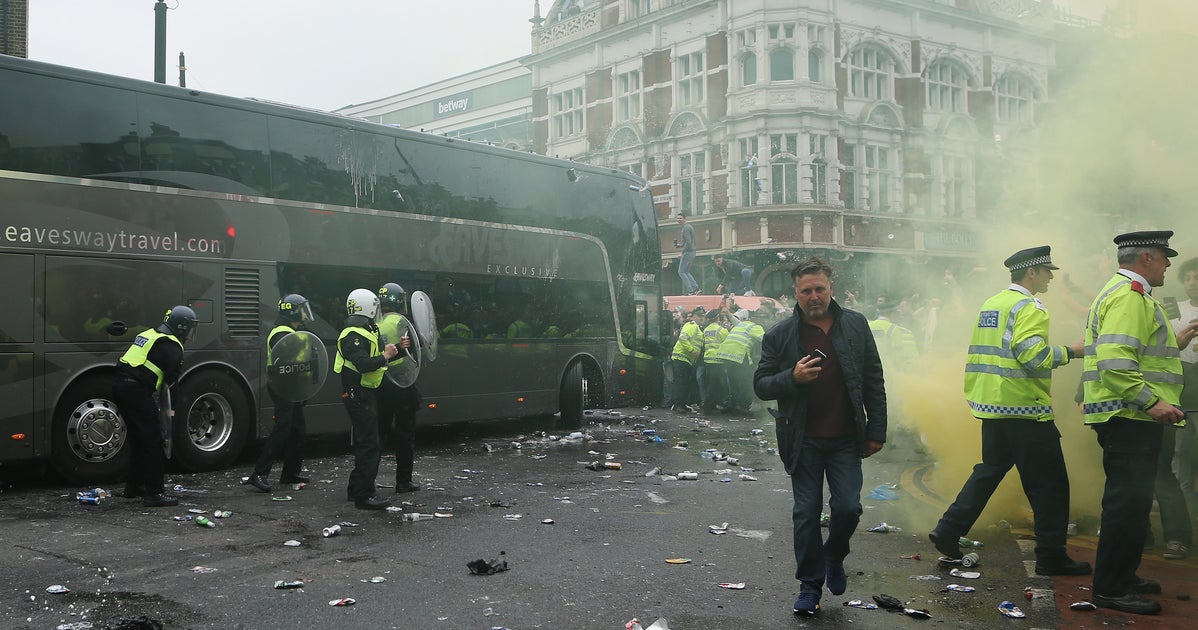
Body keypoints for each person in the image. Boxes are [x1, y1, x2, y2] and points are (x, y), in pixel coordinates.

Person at [928, 246, 1091, 576]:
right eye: (1047, 271)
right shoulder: (1030, 306)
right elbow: (1033, 356)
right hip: (1025, 411)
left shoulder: (993, 303)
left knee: (988, 472)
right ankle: (1050, 556)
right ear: (1031, 272)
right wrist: (1071, 351)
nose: (1050, 277)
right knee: (1050, 486)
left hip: (993, 407)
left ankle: (948, 529)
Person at [753, 257, 886, 616]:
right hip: (803, 440)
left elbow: (873, 379)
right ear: (794, 294)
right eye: (806, 291)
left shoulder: (856, 325)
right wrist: (791, 378)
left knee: (848, 508)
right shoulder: (780, 335)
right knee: (806, 515)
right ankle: (809, 586)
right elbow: (761, 384)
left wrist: (876, 431)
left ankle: (835, 555)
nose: (814, 296)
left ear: (831, 289)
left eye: (820, 289)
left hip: (846, 439)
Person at [1084, 231, 1198, 615]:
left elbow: (1141, 352)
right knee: (1126, 504)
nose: (1169, 264)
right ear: (1146, 257)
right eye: (1166, 257)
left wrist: (1175, 344)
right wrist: (1152, 403)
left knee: (1133, 504)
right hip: (1129, 415)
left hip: (1130, 415)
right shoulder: (1130, 295)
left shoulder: (1131, 294)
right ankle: (1111, 588)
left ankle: (1124, 576)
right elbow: (1115, 362)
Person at [113, 305, 198, 508]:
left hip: (119, 386)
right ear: (181, 327)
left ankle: (133, 487)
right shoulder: (173, 348)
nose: (190, 333)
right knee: (153, 441)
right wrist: (171, 413)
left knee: (138, 438)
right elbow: (171, 386)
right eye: (189, 328)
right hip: (136, 391)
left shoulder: (149, 334)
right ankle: (154, 493)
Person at [334, 288, 400, 510]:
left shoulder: (363, 331)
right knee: (369, 444)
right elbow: (363, 364)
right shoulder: (352, 334)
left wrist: (397, 348)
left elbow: (375, 358)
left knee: (367, 442)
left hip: (364, 393)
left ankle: (356, 489)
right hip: (358, 393)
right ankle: (364, 495)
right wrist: (386, 355)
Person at [244, 294, 315, 493]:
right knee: (282, 429)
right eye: (302, 309)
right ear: (293, 311)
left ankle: (290, 472)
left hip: (292, 386)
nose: (305, 313)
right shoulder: (282, 333)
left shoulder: (293, 330)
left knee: (297, 430)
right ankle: (259, 473)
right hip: (283, 386)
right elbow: (287, 363)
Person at [377, 283, 422, 494]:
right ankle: (403, 481)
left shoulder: (375, 321)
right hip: (402, 383)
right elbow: (413, 348)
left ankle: (366, 482)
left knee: (379, 434)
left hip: (382, 382)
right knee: (405, 435)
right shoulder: (400, 322)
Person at [1170, 256, 1198, 512]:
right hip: (1181, 390)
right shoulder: (1174, 309)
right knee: (1179, 453)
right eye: (1188, 278)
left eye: (1197, 278)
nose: (1192, 283)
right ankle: (1185, 510)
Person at [714, 308, 766, 414]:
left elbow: (734, 320)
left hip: (725, 355)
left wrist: (728, 313)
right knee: (746, 382)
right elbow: (766, 340)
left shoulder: (741, 325)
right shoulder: (756, 327)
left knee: (733, 382)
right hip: (738, 356)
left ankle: (732, 405)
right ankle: (742, 406)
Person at [867, 300, 917, 373]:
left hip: (869, 368)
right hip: (887, 370)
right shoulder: (893, 328)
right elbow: (898, 353)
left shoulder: (868, 326)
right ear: (890, 313)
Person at [670, 306, 704, 413]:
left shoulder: (697, 328)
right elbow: (683, 338)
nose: (701, 318)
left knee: (684, 383)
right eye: (699, 316)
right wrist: (692, 350)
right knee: (681, 383)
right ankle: (678, 405)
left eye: (703, 316)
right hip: (681, 358)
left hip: (685, 360)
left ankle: (682, 405)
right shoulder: (692, 325)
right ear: (693, 317)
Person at [699, 309, 729, 413]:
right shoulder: (721, 330)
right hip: (718, 360)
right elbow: (727, 342)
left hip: (708, 360)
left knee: (711, 384)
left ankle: (713, 406)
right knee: (714, 385)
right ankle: (708, 408)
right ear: (717, 318)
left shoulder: (706, 330)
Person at [676, 213, 699, 295]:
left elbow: (688, 242)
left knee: (681, 271)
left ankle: (690, 290)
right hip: (692, 252)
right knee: (686, 271)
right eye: (678, 218)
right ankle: (696, 288)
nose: (679, 220)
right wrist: (680, 245)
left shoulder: (686, 228)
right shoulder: (688, 227)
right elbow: (687, 242)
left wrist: (682, 253)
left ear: (684, 219)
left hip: (688, 252)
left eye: (680, 218)